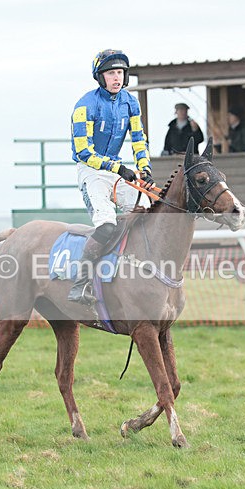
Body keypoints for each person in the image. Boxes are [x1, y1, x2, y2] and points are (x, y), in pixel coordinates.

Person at [68, 48, 153, 305]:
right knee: (106, 226)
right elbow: (84, 152)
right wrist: (118, 169)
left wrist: (144, 167)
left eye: (120, 73)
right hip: (92, 172)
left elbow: (138, 139)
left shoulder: (131, 102)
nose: (116, 78)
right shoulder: (85, 105)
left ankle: (142, 276)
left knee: (148, 214)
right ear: (100, 77)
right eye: (111, 73)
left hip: (117, 170)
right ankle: (80, 284)